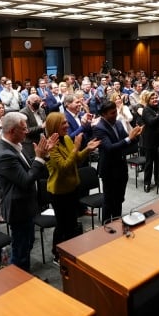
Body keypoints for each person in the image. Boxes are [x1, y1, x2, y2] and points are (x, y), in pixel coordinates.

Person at [0, 113, 57, 272]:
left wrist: (44, 155)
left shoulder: (14, 146)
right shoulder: (5, 154)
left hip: (26, 205)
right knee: (21, 249)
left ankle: (22, 275)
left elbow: (32, 170)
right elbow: (26, 180)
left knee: (26, 244)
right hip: (18, 208)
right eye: (23, 129)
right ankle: (20, 282)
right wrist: (39, 158)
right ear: (12, 131)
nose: (27, 131)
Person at [44, 112, 100, 263]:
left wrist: (86, 149)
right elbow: (64, 167)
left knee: (72, 223)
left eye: (66, 122)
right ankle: (57, 253)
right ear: (54, 126)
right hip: (59, 192)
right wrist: (76, 148)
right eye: (63, 123)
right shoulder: (51, 146)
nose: (67, 125)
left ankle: (70, 252)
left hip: (72, 188)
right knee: (63, 225)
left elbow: (75, 160)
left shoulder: (67, 138)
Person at [93, 101, 143, 221]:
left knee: (119, 199)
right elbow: (110, 148)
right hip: (109, 169)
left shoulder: (119, 123)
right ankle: (106, 227)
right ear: (104, 114)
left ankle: (116, 221)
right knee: (109, 200)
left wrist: (136, 136)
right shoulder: (99, 128)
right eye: (112, 113)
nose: (115, 114)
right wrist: (129, 138)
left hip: (121, 167)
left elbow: (127, 142)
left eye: (116, 111)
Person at [139, 91, 159, 193]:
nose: (155, 99)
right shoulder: (146, 110)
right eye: (152, 98)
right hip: (149, 140)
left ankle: (157, 180)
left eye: (156, 98)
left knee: (158, 162)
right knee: (149, 163)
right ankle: (147, 183)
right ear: (148, 100)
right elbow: (151, 122)